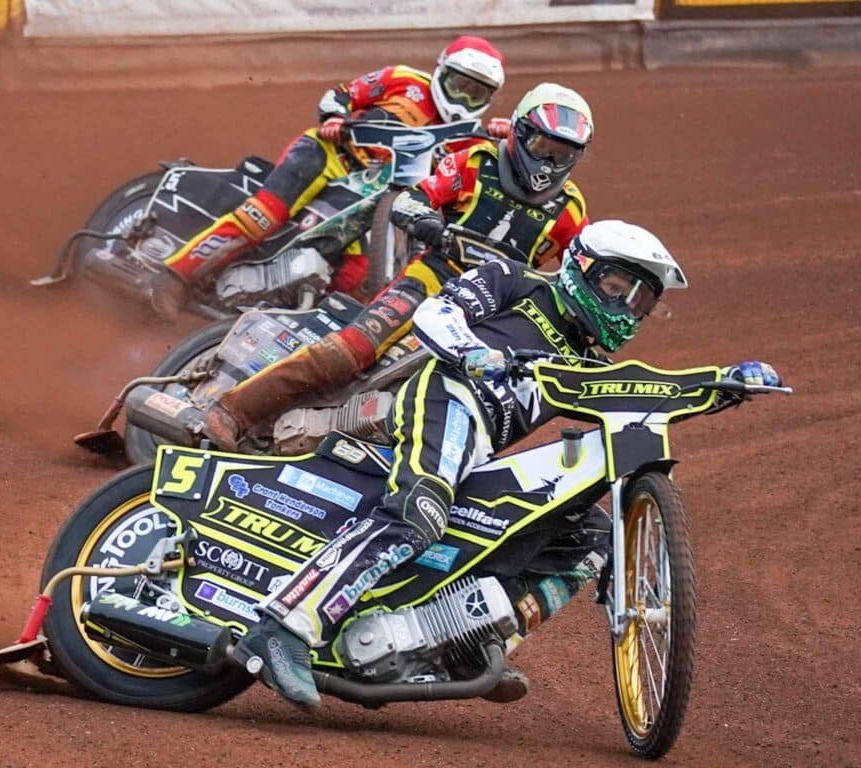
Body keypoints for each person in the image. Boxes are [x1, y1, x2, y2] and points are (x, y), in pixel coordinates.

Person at [231, 219, 782, 708]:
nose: (624, 308)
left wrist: (723, 382)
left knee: (588, 537)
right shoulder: (516, 281)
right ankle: (285, 626)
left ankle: (464, 642)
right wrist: (470, 350)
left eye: (639, 302)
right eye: (617, 288)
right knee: (418, 513)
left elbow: (641, 393)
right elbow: (436, 312)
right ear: (582, 268)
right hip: (447, 395)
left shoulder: (587, 362)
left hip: (480, 447)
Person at [200, 82, 595, 451]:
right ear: (520, 132)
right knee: (351, 350)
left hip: (490, 314)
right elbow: (413, 197)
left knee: (473, 399)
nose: (549, 162)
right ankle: (232, 411)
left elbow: (582, 277)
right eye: (543, 146)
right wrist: (425, 220)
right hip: (432, 279)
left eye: (563, 154)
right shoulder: (475, 162)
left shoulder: (570, 210)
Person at [151, 36, 507, 306]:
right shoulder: (404, 80)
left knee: (358, 272)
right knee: (263, 217)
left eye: (476, 94)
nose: (464, 98)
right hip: (329, 155)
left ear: (489, 99)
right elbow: (341, 94)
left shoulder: (469, 138)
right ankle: (174, 276)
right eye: (459, 85)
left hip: (374, 192)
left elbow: (488, 168)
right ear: (441, 70)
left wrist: (509, 136)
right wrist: (335, 117)